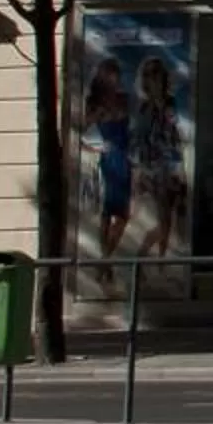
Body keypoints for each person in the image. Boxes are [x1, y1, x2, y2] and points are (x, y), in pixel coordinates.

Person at [83, 57, 133, 288]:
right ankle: (106, 266)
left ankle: (104, 263)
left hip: (124, 158)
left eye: (116, 74)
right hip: (107, 160)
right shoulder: (93, 102)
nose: (114, 79)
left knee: (122, 214)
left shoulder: (124, 99)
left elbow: (132, 127)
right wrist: (99, 147)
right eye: (109, 74)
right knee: (106, 213)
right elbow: (83, 135)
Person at [132, 54, 186, 258]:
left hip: (173, 166)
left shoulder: (170, 102)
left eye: (158, 76)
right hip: (155, 169)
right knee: (164, 220)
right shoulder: (145, 108)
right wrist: (142, 170)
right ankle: (142, 256)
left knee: (171, 218)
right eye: (151, 77)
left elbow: (175, 133)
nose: (156, 82)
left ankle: (161, 259)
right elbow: (142, 139)